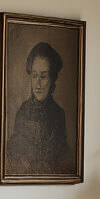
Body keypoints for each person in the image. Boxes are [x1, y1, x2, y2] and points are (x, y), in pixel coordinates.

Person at [6, 41, 71, 175]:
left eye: (43, 76)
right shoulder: (23, 112)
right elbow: (13, 152)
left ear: (52, 79)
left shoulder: (59, 114)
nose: (38, 84)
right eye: (34, 76)